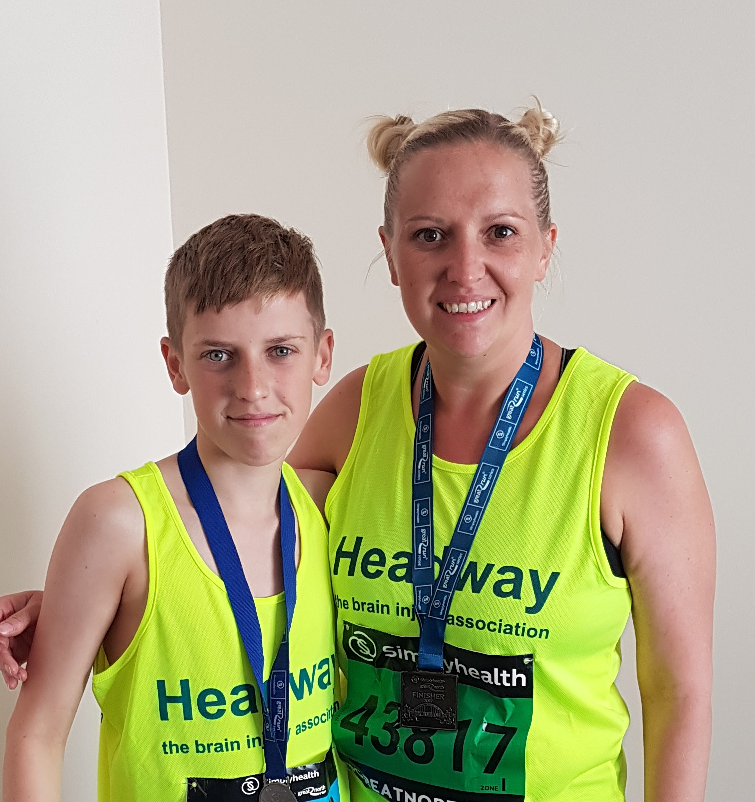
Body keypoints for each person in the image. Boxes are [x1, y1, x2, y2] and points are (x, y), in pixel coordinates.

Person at [1, 103, 715, 802]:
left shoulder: (632, 435)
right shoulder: (354, 410)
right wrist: (86, 599)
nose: (465, 268)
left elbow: (677, 693)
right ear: (391, 253)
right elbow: (239, 533)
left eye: (499, 232)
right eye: (430, 235)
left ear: (545, 247)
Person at [2, 214, 347, 802]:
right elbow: (36, 736)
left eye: (280, 350)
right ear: (175, 364)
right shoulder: (119, 522)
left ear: (323, 354)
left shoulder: (324, 507)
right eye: (219, 355)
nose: (253, 386)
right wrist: (66, 600)